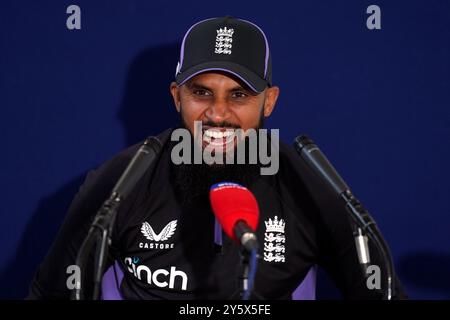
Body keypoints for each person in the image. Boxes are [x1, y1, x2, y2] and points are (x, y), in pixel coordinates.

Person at [27, 16, 406, 300]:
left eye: (239, 95)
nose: (218, 113)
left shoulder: (310, 189)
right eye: (201, 92)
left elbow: (382, 292)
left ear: (269, 101)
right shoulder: (121, 183)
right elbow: (50, 293)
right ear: (177, 96)